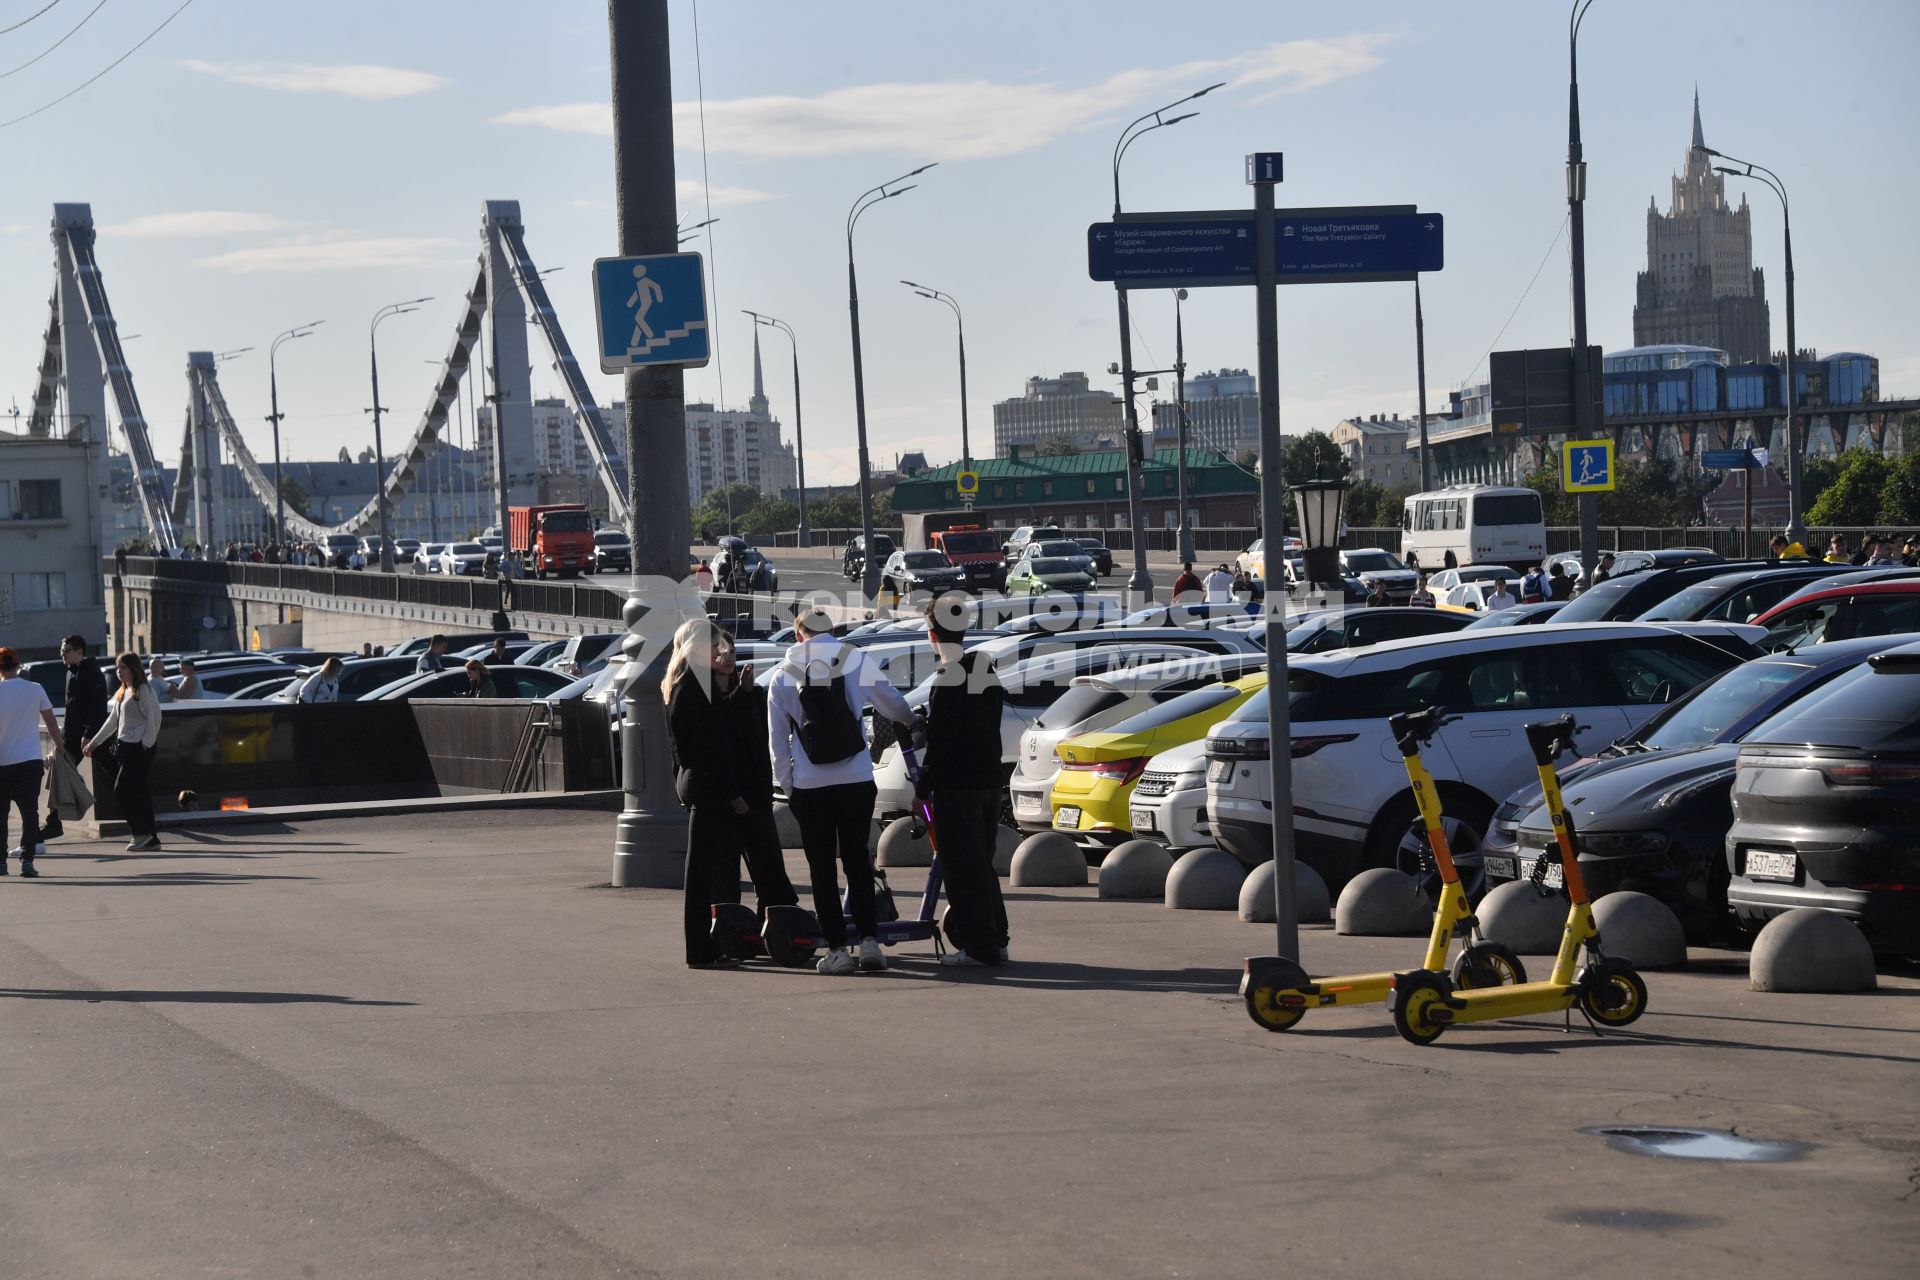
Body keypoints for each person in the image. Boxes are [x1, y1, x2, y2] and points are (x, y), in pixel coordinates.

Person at [767, 607, 915, 976]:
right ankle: (868, 942)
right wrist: (914, 721)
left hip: (810, 785)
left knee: (821, 869)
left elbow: (776, 746)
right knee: (857, 862)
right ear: (831, 630)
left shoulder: (783, 675)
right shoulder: (854, 660)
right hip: (856, 778)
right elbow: (892, 704)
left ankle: (836, 949)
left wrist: (791, 788)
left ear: (798, 634)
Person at [663, 619, 800, 968]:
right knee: (704, 876)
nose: (723, 653)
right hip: (711, 793)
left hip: (718, 790)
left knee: (709, 873)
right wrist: (729, 794)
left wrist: (740, 693)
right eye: (714, 647)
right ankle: (703, 951)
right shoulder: (690, 689)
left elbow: (725, 734)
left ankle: (722, 944)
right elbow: (704, 751)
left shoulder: (697, 687)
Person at [916, 603, 1010, 967]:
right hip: (989, 782)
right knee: (982, 865)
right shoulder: (985, 674)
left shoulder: (946, 680)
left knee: (962, 869)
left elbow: (940, 746)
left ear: (933, 636)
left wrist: (921, 790)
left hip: (959, 788)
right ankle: (996, 939)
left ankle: (978, 948)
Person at [85, 652, 164, 853]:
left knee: (123, 789)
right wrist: (94, 743)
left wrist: (145, 744)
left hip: (139, 748)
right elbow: (112, 721)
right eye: (117, 668)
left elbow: (155, 718)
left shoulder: (143, 690)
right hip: (124, 747)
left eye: (123, 667)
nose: (119, 672)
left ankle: (141, 833)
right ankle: (151, 838)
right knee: (139, 792)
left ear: (134, 668)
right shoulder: (123, 692)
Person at [1, 647, 63, 875]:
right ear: (18, 666)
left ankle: (1, 862)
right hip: (30, 760)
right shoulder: (35, 689)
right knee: (30, 812)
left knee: (1, 814)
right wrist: (61, 748)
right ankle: (27, 861)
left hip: (2, 762)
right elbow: (51, 722)